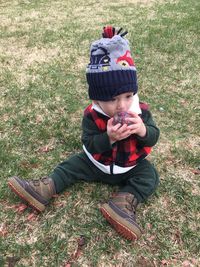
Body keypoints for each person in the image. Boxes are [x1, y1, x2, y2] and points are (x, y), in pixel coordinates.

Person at [8, 26, 160, 241]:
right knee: (70, 166)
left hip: (130, 166)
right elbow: (89, 143)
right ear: (96, 99)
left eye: (127, 96)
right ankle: (44, 188)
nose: (122, 106)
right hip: (95, 164)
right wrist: (109, 138)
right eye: (112, 99)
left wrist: (143, 130)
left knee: (150, 176)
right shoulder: (92, 115)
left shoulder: (140, 111)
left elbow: (154, 135)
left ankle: (122, 203)